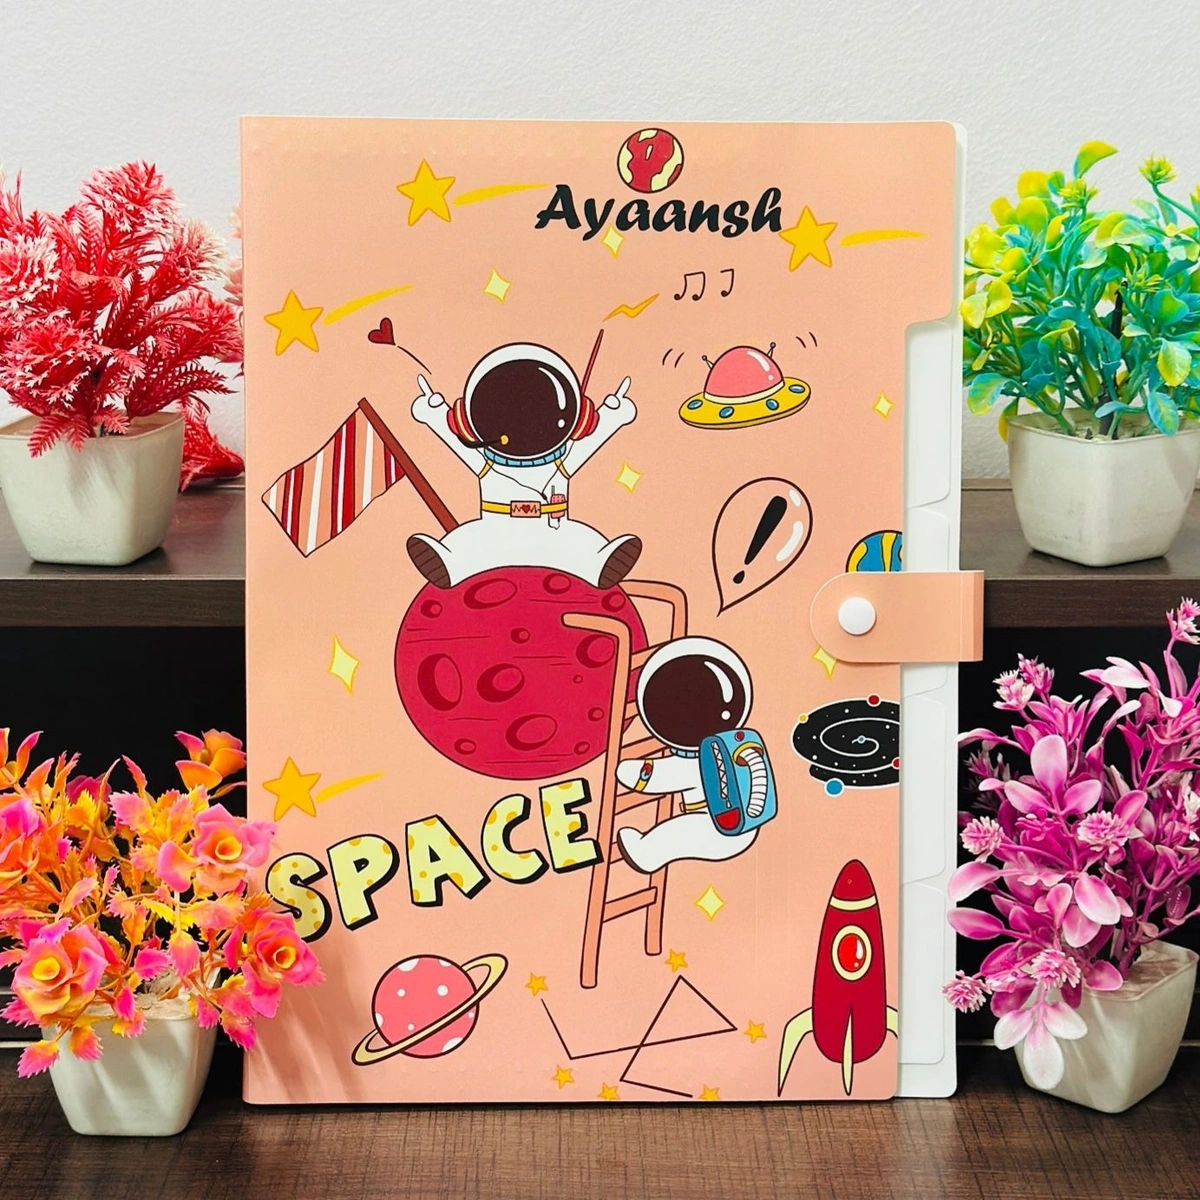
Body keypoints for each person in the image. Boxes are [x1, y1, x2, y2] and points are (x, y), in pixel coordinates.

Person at [406, 342, 641, 589]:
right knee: (466, 543)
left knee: (581, 542)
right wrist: (434, 413)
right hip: (494, 533)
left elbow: (593, 439)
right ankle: (449, 562)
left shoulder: (559, 462)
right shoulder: (489, 463)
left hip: (554, 533)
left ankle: (599, 562)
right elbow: (456, 440)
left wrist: (613, 414)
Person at [615, 637, 772, 873]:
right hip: (746, 823)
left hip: (716, 827)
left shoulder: (697, 761)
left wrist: (628, 771)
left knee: (674, 834)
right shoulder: (735, 746)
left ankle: (645, 853)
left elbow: (653, 777)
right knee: (680, 831)